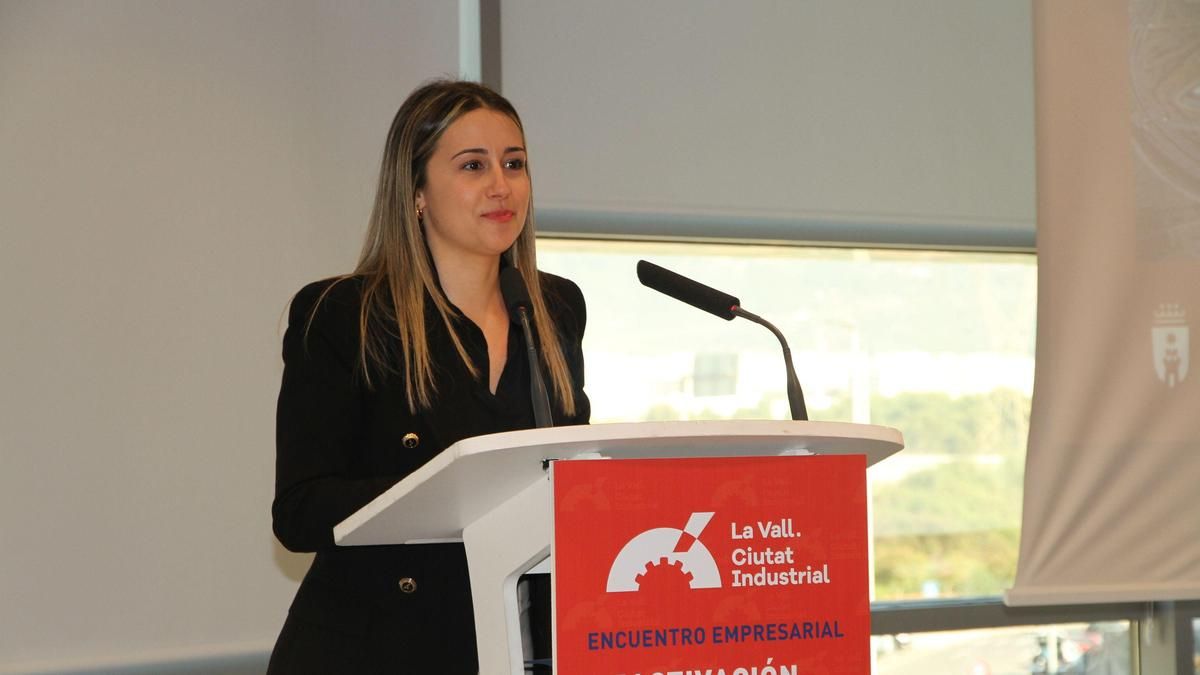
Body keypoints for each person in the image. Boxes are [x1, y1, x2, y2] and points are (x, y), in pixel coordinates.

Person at [268, 79, 590, 674]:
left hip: (512, 646)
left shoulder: (554, 309)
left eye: (514, 163)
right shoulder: (345, 314)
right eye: (473, 165)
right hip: (373, 649)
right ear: (416, 192)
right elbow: (300, 511)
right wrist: (451, 490)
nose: (502, 185)